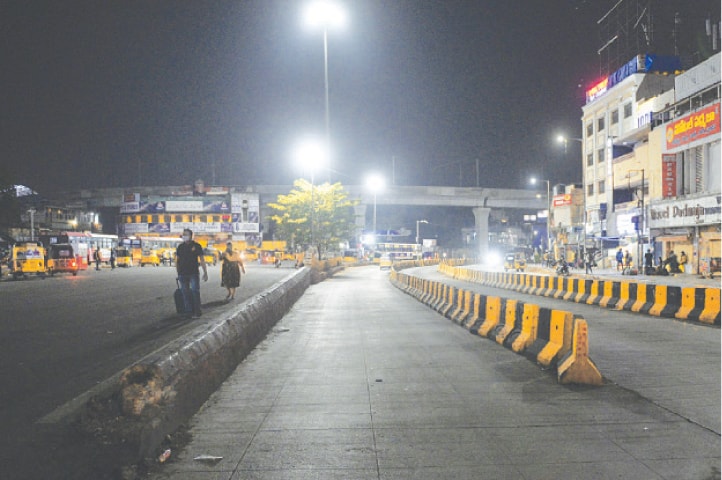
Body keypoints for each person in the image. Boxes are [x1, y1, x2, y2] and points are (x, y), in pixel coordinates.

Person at [175, 229, 208, 318]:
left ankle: (197, 311)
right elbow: (177, 261)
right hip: (183, 273)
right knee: (185, 293)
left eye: (186, 234)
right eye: (183, 234)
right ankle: (188, 311)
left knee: (195, 292)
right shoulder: (180, 247)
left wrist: (205, 272)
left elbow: (202, 260)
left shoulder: (197, 246)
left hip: (193, 273)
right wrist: (178, 273)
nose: (184, 236)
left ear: (191, 236)